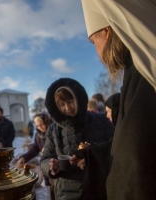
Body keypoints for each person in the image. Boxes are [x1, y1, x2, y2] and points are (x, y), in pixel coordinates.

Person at [79, 1, 156, 199]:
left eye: (93, 41)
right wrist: (91, 155)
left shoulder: (145, 76)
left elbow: (138, 160)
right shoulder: (134, 73)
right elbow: (125, 147)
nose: (97, 53)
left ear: (107, 32)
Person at [40, 78, 114, 200]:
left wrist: (93, 155)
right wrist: (51, 166)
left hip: (99, 190)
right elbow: (44, 159)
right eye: (62, 105)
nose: (67, 108)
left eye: (70, 102)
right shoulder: (53, 129)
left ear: (78, 99)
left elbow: (115, 149)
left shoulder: (101, 121)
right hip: (66, 193)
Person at [16, 112, 52, 186]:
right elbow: (35, 149)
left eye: (41, 124)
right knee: (49, 189)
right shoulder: (38, 135)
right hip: (46, 167)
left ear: (47, 122)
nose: (40, 127)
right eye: (37, 126)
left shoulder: (53, 132)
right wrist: (24, 158)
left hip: (54, 165)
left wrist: (48, 150)